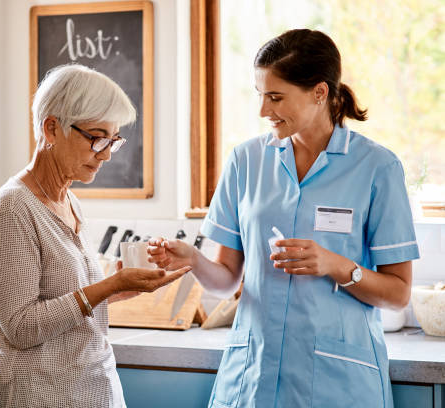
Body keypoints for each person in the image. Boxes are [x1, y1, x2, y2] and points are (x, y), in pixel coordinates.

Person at [148, 29, 418, 408]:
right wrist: (192, 259)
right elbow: (227, 281)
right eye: (261, 95)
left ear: (319, 92)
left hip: (338, 384)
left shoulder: (377, 168)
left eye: (276, 97)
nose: (263, 110)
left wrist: (335, 265)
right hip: (253, 378)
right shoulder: (245, 162)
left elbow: (398, 293)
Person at [0, 64, 190, 407]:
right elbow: (21, 328)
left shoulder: (69, 201)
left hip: (96, 392)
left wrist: (120, 287)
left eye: (113, 140)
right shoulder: (13, 210)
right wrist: (110, 286)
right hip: (44, 397)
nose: (106, 154)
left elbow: (68, 302)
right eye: (96, 137)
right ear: (52, 128)